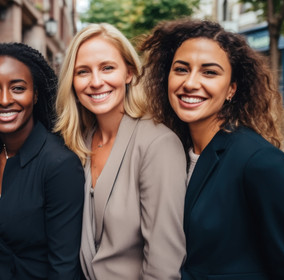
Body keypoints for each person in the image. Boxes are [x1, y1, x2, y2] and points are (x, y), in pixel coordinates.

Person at [139, 19, 284, 279]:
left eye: (209, 72)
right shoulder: (172, 150)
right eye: (181, 69)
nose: (190, 83)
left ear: (231, 89)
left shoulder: (260, 162)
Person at [54, 23, 187, 279]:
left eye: (107, 68)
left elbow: (164, 263)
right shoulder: (78, 141)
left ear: (129, 72)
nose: (95, 82)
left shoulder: (158, 144)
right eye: (83, 71)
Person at [0, 42, 85, 279]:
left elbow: (64, 266)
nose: (4, 100)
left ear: (35, 94)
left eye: (18, 88)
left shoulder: (59, 164)